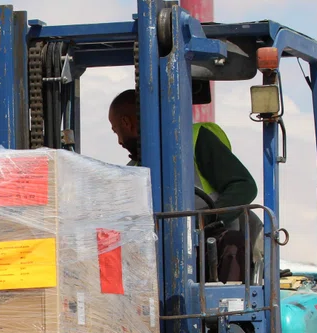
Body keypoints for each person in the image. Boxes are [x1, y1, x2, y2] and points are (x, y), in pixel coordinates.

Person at [108, 90, 260, 282]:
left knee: (233, 243)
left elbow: (244, 186)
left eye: (116, 131)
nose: (119, 141)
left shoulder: (196, 140)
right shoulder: (134, 170)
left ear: (126, 122)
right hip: (162, 257)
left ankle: (229, 308)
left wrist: (206, 221)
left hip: (209, 248)